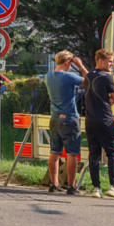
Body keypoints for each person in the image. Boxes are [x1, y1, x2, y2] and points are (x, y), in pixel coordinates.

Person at [83, 49, 114, 199]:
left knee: (94, 154)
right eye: (109, 61)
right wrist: (109, 100)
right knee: (113, 152)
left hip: (90, 120)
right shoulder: (106, 77)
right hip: (105, 120)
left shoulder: (88, 76)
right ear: (100, 61)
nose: (111, 64)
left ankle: (96, 188)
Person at [44, 50, 87, 194]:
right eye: (71, 64)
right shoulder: (69, 76)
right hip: (69, 117)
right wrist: (80, 65)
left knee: (54, 152)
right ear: (68, 62)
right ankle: (71, 186)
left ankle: (54, 183)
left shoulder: (48, 76)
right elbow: (89, 80)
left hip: (54, 117)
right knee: (72, 153)